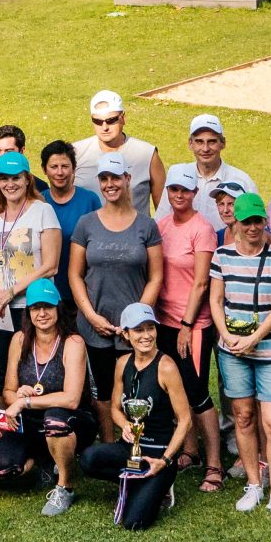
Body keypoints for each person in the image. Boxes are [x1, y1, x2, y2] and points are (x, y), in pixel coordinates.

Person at [209, 192, 271, 520]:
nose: (253, 228)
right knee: (243, 417)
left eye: (258, 221)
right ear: (236, 224)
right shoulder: (222, 256)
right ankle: (253, 483)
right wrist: (227, 335)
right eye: (246, 222)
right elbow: (216, 301)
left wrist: (254, 338)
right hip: (233, 350)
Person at [82, 303, 190, 529]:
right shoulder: (122, 364)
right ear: (126, 334)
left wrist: (165, 460)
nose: (146, 335)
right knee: (88, 459)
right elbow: (115, 408)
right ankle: (137, 481)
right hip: (130, 449)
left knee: (134, 523)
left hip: (159, 454)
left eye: (150, 328)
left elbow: (185, 420)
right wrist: (125, 425)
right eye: (139, 330)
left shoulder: (166, 367)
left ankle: (158, 483)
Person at [68, 153, 163, 408]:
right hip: (97, 324)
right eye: (104, 179)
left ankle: (136, 433)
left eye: (116, 177)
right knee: (103, 391)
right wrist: (91, 316)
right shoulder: (86, 224)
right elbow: (75, 274)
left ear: (127, 178)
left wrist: (136, 319)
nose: (110, 184)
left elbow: (155, 277)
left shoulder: (146, 225)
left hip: (133, 329)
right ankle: (108, 434)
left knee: (138, 390)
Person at [0, 278, 89, 514]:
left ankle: (65, 486)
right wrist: (17, 395)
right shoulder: (19, 340)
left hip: (70, 419)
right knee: (3, 468)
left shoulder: (73, 342)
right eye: (36, 308)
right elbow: (7, 391)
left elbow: (72, 399)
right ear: (28, 312)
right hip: (30, 422)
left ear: (58, 308)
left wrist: (26, 402)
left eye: (47, 307)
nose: (42, 313)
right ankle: (45, 460)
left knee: (54, 420)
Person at [155, 167, 223, 483]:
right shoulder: (163, 225)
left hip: (192, 324)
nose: (179, 195)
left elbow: (201, 282)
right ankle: (191, 450)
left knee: (196, 391)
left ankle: (214, 464)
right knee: (174, 388)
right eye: (174, 190)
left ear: (194, 193)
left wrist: (186, 324)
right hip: (163, 320)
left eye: (185, 190)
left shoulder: (202, 229)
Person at [0, 152, 62, 377]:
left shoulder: (42, 211)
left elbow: (51, 265)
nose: (10, 184)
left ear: (27, 179)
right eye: (4, 178)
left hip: (29, 306)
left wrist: (10, 292)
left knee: (30, 368)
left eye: (16, 178)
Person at [77, 89, 166, 207]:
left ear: (123, 118)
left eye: (111, 120)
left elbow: (163, 208)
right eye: (97, 121)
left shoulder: (147, 154)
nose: (104, 127)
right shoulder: (76, 153)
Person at [162, 111, 254, 205]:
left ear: (223, 143)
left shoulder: (242, 181)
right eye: (199, 142)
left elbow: (255, 214)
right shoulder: (177, 177)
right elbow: (163, 213)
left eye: (211, 141)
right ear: (190, 143)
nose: (205, 149)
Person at [41, 141, 98, 246]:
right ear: (44, 169)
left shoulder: (90, 200)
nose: (60, 172)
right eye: (54, 167)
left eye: (65, 166)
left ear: (74, 168)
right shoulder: (38, 201)